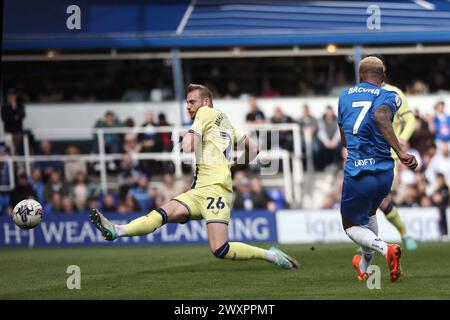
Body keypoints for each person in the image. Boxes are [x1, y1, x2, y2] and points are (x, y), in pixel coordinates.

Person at [89, 83, 299, 269]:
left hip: (216, 190)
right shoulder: (226, 121)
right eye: (187, 103)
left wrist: (189, 141)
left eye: (192, 101)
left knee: (220, 249)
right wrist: (232, 166)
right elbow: (254, 149)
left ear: (205, 101)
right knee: (162, 213)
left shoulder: (204, 113)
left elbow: (190, 143)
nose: (188, 106)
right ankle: (116, 230)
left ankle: (271, 255)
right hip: (198, 191)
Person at [337, 56, 418, 283]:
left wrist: (400, 151)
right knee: (370, 214)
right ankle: (364, 266)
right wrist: (400, 152)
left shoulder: (344, 96)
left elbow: (345, 138)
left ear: (360, 76)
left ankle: (385, 249)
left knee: (351, 225)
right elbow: (383, 114)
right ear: (383, 76)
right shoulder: (391, 95)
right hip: (384, 172)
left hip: (358, 172)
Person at [374, 58, 419, 251]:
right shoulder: (362, 94)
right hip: (368, 153)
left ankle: (402, 234)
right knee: (372, 199)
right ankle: (371, 241)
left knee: (378, 199)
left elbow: (410, 120)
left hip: (389, 155)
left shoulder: (394, 93)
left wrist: (402, 139)